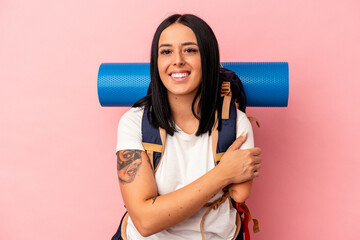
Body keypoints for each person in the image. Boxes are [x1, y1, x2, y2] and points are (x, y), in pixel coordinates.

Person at [115, 14, 262, 240]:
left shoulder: (236, 123)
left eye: (190, 50)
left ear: (209, 59)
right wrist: (222, 174)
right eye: (166, 52)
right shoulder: (133, 122)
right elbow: (145, 221)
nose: (177, 60)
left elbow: (240, 194)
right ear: (156, 63)